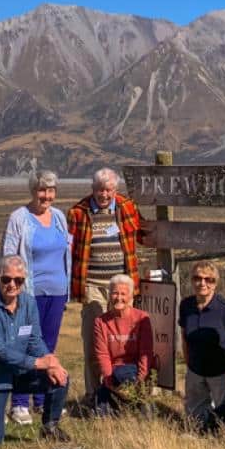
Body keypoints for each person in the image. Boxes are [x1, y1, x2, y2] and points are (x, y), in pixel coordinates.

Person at [0, 255, 71, 444]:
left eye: (18, 280)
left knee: (60, 376)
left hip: (18, 372)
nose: (12, 284)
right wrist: (39, 363)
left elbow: (34, 340)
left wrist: (50, 361)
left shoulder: (29, 303)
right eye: (7, 279)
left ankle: (50, 426)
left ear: (24, 280)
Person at [0, 169, 70, 426]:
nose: (47, 196)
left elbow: (66, 254)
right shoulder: (19, 217)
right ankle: (19, 403)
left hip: (57, 291)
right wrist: (12, 291)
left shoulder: (60, 217)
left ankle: (43, 399)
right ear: (32, 191)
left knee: (48, 345)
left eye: (51, 191)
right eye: (42, 190)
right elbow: (8, 255)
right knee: (25, 346)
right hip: (29, 293)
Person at [68, 167, 142, 399]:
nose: (104, 195)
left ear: (115, 190)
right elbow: (69, 249)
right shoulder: (78, 213)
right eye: (100, 190)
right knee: (93, 339)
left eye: (109, 190)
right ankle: (93, 393)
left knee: (124, 340)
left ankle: (122, 392)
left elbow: (142, 232)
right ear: (93, 189)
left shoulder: (127, 208)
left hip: (120, 285)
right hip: (92, 283)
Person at [179, 261, 225, 428]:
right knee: (194, 419)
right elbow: (185, 336)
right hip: (195, 370)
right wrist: (189, 364)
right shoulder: (186, 305)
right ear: (191, 281)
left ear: (216, 283)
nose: (203, 283)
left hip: (221, 372)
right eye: (198, 278)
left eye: (209, 279)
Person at [92, 274, 154, 414]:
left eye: (123, 294)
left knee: (123, 374)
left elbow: (146, 352)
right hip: (112, 373)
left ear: (131, 296)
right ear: (109, 295)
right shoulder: (100, 322)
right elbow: (102, 354)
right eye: (115, 293)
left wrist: (141, 379)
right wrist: (109, 382)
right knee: (100, 412)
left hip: (135, 370)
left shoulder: (142, 318)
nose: (119, 298)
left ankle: (139, 400)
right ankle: (120, 402)